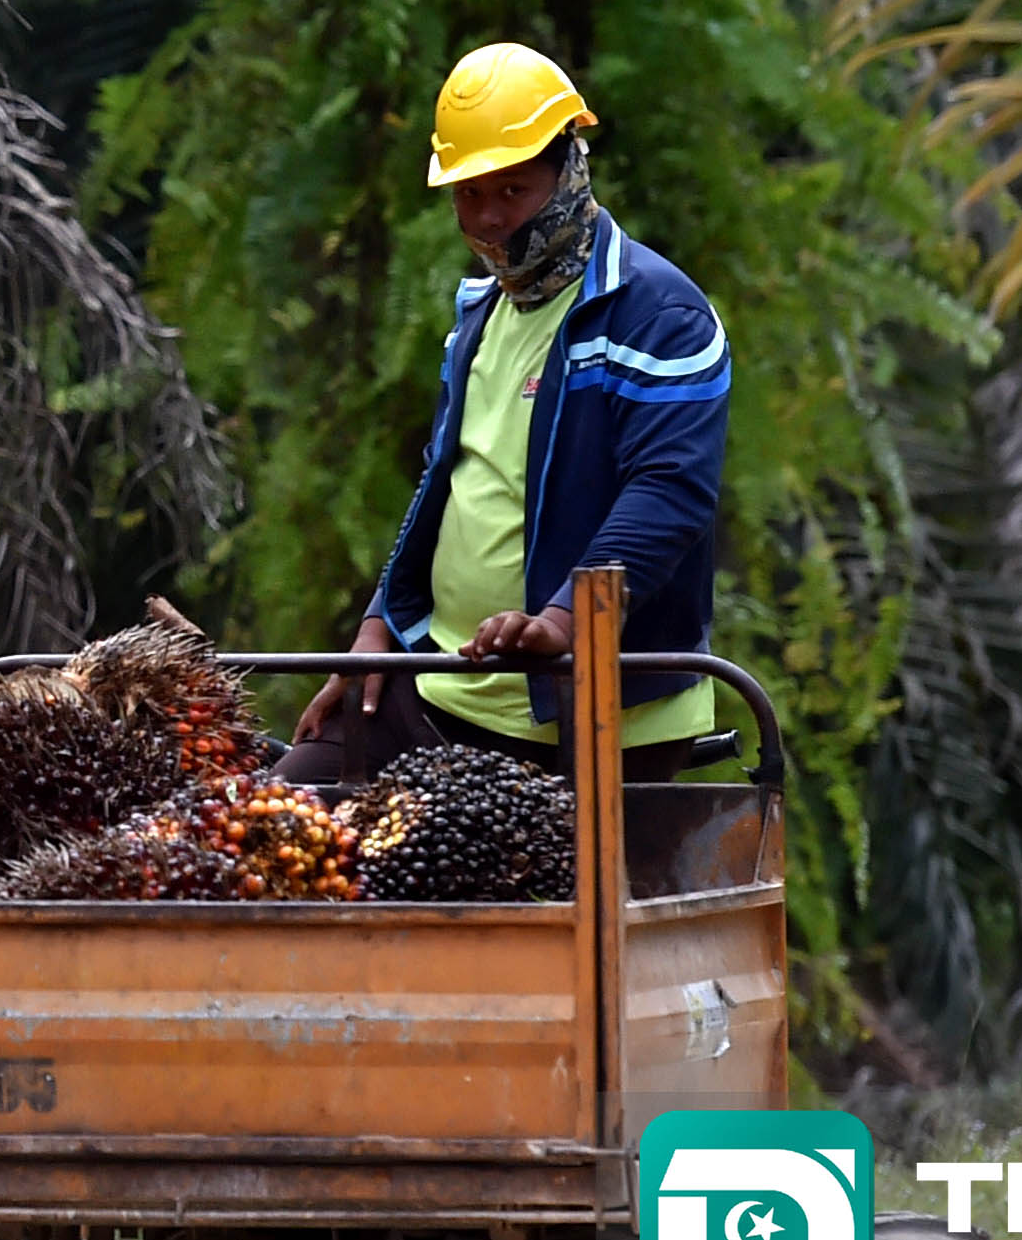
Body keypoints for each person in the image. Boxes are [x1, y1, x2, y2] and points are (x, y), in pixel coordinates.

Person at [282, 43, 733, 786]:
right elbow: (448, 483)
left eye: (513, 190)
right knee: (268, 824)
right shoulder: (480, 315)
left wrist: (561, 621)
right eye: (469, 194)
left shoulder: (658, 315)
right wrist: (378, 627)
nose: (489, 219)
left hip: (597, 723)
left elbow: (669, 491)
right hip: (441, 689)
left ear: (570, 171)